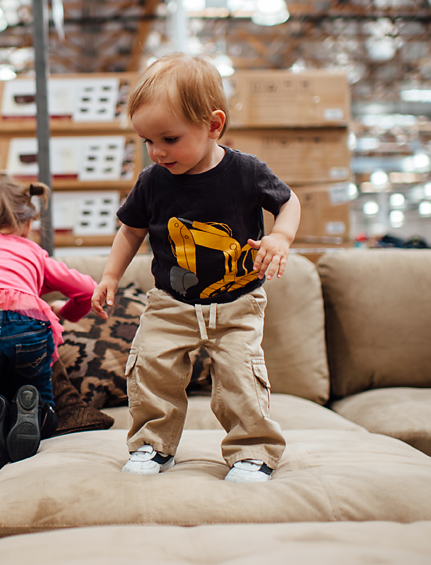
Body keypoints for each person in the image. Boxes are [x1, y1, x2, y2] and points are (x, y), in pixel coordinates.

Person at [91, 53, 302, 482]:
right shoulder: (152, 181)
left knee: (241, 377)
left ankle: (252, 451)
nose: (157, 152)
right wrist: (110, 275)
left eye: (169, 139)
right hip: (171, 303)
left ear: (213, 125)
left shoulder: (246, 172)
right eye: (146, 141)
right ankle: (153, 446)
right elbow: (130, 231)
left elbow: (288, 202)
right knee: (150, 366)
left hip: (238, 303)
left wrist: (280, 237)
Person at [0, 176, 97, 474]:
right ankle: (35, 412)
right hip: (26, 328)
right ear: (27, 224)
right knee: (39, 394)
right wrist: (68, 313)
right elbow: (88, 290)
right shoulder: (33, 252)